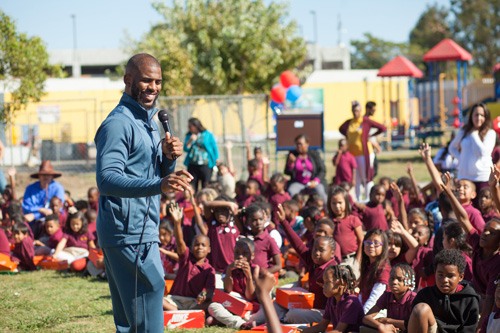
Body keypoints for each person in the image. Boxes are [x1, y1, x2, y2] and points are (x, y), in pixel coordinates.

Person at [94, 53, 192, 332]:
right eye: (146, 80)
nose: (153, 87)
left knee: (132, 322)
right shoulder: (119, 124)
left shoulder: (147, 121)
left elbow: (153, 175)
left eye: (158, 82)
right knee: (148, 308)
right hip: (127, 231)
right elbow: (107, 180)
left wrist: (167, 160)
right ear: (128, 80)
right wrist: (157, 186)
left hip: (140, 228)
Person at [406, 249, 480, 333]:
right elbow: (411, 323)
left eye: (450, 276)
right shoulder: (425, 295)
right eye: (440, 275)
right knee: (421, 309)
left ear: (461, 277)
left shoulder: (469, 299)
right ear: (435, 273)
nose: (444, 280)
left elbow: (469, 329)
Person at [339, 101, 386, 201]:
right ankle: (358, 199)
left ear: (361, 111)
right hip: (353, 155)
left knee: (366, 177)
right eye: (354, 111)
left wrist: (371, 136)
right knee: (356, 179)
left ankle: (369, 199)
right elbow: (341, 128)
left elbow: (382, 128)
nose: (356, 113)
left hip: (364, 154)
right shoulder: (350, 122)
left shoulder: (365, 121)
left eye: (357, 111)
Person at [449, 103, 496, 197]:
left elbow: (482, 153)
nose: (478, 118)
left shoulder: (490, 133)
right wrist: (461, 157)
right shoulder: (464, 131)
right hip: (465, 176)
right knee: (465, 208)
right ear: (471, 116)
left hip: (482, 177)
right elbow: (452, 147)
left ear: (486, 117)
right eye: (476, 115)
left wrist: (474, 134)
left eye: (482, 115)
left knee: (483, 207)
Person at [301, 265, 364, 333]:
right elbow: (322, 326)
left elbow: (339, 331)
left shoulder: (351, 302)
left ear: (342, 282)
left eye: (327, 282)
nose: (324, 286)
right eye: (324, 282)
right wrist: (300, 332)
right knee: (301, 328)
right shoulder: (331, 299)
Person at [363, 263, 417, 332]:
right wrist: (381, 326)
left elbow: (413, 324)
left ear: (410, 284)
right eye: (392, 278)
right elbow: (366, 318)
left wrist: (387, 321)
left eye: (399, 279)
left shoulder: (413, 298)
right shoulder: (387, 296)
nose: (394, 282)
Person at [284, 134, 327, 202]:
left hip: (312, 182)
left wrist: (316, 181)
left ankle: (326, 210)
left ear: (307, 144)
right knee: (291, 191)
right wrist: (290, 164)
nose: (298, 146)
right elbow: (287, 172)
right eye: (297, 144)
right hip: (298, 182)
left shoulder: (314, 154)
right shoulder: (292, 155)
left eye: (301, 144)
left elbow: (322, 170)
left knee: (320, 191)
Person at [183, 117, 219, 192]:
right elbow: (186, 149)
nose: (189, 128)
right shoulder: (189, 135)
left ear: (196, 126)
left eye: (190, 126)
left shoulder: (208, 134)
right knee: (193, 184)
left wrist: (216, 158)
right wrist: (190, 140)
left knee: (205, 184)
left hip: (205, 164)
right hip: (193, 164)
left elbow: (214, 147)